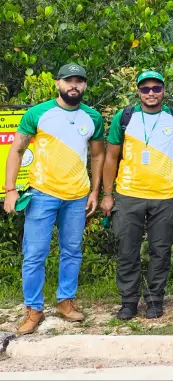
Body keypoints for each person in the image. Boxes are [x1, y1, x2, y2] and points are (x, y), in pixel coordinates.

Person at [3, 63, 105, 335]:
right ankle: (33, 309)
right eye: (69, 80)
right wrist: (10, 189)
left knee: (72, 251)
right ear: (58, 83)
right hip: (42, 193)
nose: (74, 85)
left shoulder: (93, 117)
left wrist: (95, 191)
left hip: (77, 196)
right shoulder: (38, 113)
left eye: (79, 81)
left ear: (85, 85)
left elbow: (97, 156)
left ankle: (65, 301)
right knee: (35, 254)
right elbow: (16, 150)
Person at [101, 70, 173, 320]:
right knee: (127, 250)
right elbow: (110, 157)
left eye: (156, 88)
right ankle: (128, 302)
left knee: (160, 251)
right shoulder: (125, 117)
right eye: (145, 89)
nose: (151, 93)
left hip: (164, 195)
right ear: (138, 91)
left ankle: (154, 300)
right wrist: (107, 194)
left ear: (164, 90)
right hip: (128, 194)